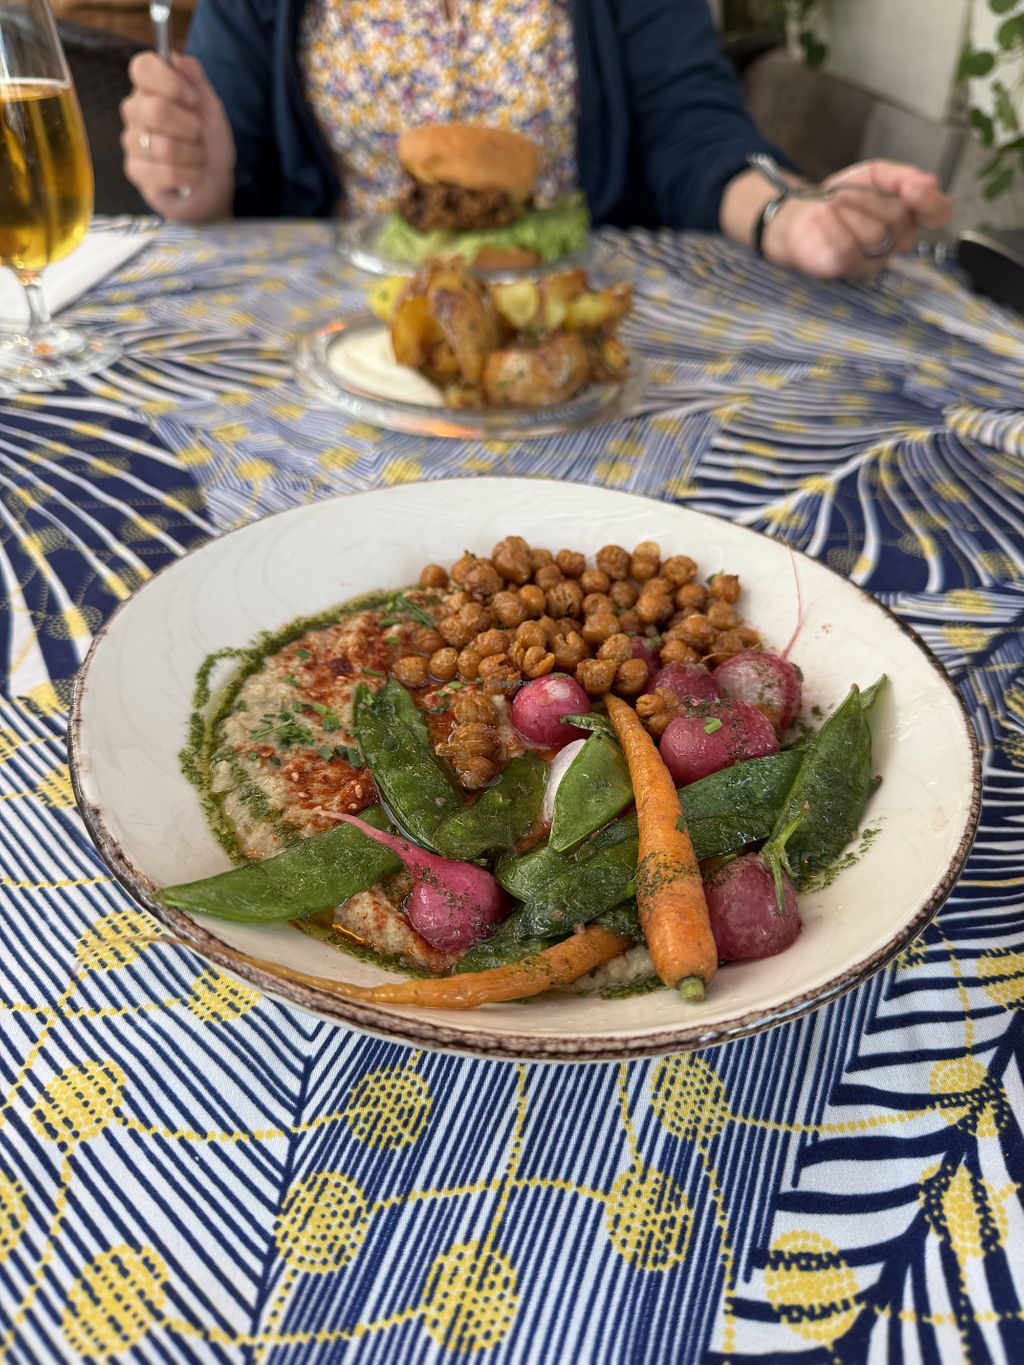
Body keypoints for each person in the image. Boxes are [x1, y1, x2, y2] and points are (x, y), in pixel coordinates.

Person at [120, 0, 952, 280]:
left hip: (567, 316)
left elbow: (691, 130)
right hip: (337, 329)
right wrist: (197, 179)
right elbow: (228, 172)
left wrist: (786, 213)